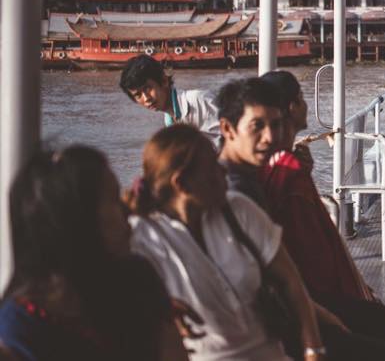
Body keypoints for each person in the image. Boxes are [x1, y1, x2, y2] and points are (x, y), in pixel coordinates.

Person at [219, 74, 385, 354]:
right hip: (269, 319)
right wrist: (317, 333)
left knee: (380, 321)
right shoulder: (238, 190)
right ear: (228, 129)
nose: (269, 137)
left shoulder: (257, 174)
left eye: (274, 125)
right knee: (380, 334)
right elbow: (302, 259)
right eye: (258, 126)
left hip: (286, 302)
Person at [128, 124, 326, 361]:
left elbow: (290, 281)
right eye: (212, 168)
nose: (223, 170)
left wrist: (313, 349)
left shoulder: (238, 210)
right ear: (181, 184)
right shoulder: (144, 238)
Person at [0, 146, 188, 361]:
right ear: (78, 219)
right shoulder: (19, 331)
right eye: (113, 199)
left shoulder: (140, 279)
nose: (127, 210)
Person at [119, 54, 220, 143]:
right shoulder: (169, 122)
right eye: (138, 95)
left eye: (148, 88)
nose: (146, 99)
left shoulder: (198, 100)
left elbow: (228, 138)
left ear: (164, 81)